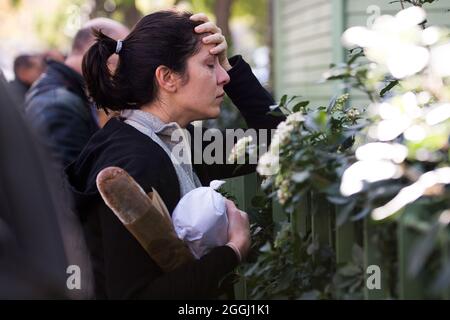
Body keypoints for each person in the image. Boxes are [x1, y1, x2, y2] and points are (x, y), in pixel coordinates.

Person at [65, 10, 284, 299]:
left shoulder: (174, 141)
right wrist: (233, 250)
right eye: (209, 65)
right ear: (167, 77)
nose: (223, 78)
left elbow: (275, 143)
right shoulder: (135, 163)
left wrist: (230, 65)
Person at [25, 18, 129, 167]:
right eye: (122, 54)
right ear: (101, 50)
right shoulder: (57, 106)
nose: (126, 68)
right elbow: (67, 184)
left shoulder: (68, 90)